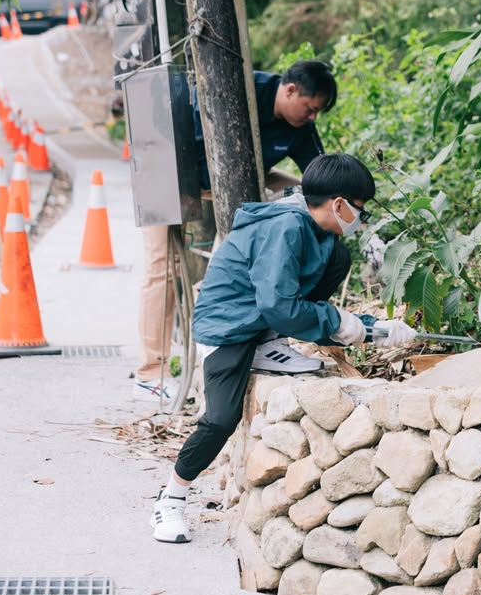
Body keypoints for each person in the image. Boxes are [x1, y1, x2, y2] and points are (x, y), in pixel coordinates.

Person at [149, 154, 416, 543]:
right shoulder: (286, 227)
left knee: (337, 256)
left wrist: (373, 329)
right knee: (221, 419)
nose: (361, 218)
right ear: (338, 204)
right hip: (228, 326)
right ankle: (171, 498)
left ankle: (269, 343)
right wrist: (347, 325)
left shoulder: (321, 232)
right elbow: (280, 305)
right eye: (360, 209)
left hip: (260, 323)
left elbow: (299, 305)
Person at [133, 60, 344, 401]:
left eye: (317, 111)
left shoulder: (299, 124)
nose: (312, 117)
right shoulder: (236, 89)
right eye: (309, 108)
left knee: (311, 199)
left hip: (241, 178)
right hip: (167, 166)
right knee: (165, 266)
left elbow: (319, 177)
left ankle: (247, 330)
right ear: (289, 90)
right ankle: (148, 374)